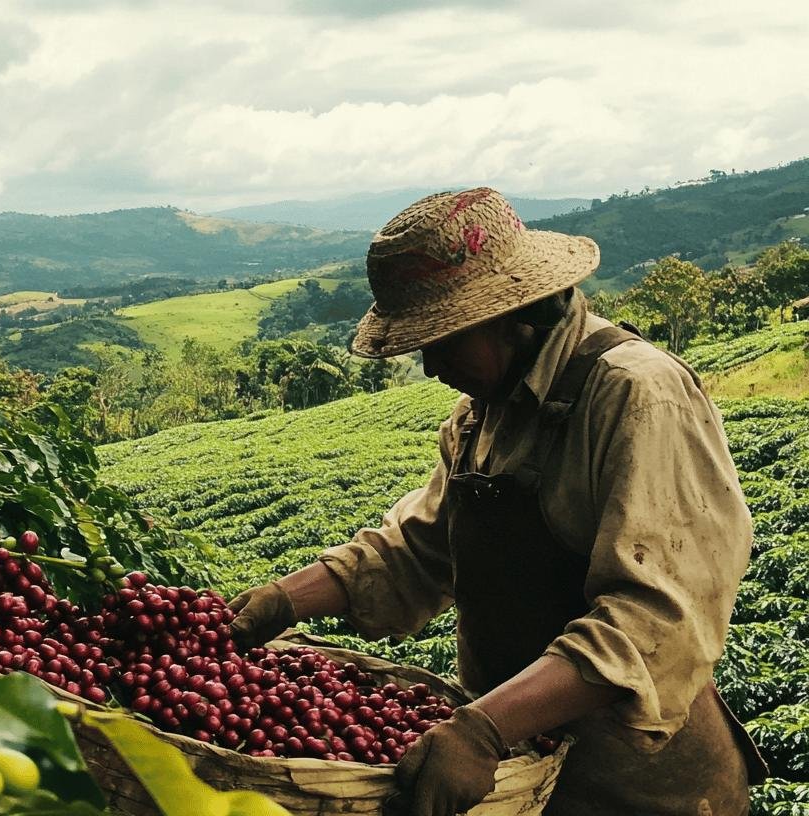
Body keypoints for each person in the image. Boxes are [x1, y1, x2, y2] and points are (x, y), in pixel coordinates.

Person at [227, 188, 768, 816]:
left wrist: (483, 727)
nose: (430, 367)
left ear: (515, 315)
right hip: (510, 775)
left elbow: (658, 619)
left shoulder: (635, 395)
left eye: (444, 342)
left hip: (633, 784)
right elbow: (418, 551)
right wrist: (284, 600)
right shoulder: (481, 418)